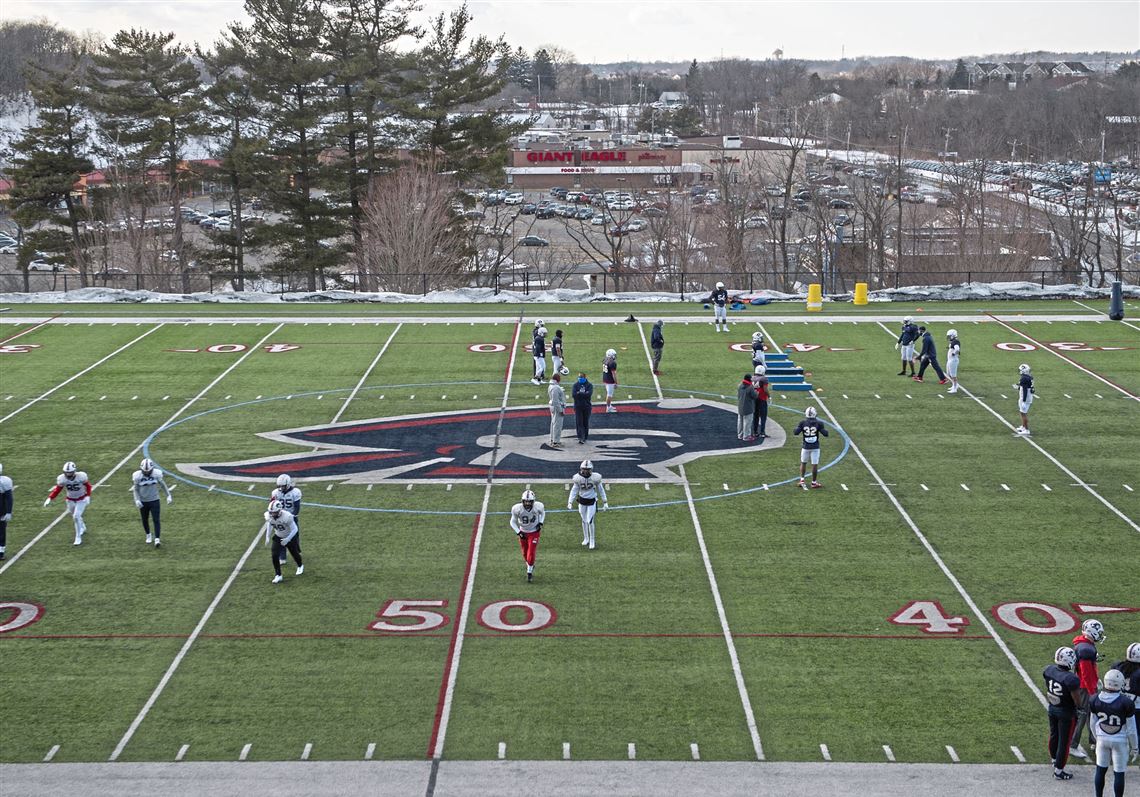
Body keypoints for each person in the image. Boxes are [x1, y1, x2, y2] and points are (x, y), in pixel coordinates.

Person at [1088, 670, 1136, 797]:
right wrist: (1135, 747)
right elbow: (1131, 729)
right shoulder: (1126, 703)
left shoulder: (1094, 699)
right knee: (1119, 773)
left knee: (1100, 770)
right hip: (1120, 740)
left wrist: (1097, 737)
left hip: (1102, 740)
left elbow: (1092, 723)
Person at [1043, 646, 1084, 781]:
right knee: (1064, 742)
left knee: (1054, 735)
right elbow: (1076, 698)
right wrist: (1080, 707)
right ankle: (1059, 771)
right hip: (1066, 712)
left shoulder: (1049, 670)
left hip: (1053, 707)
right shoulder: (1071, 679)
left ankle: (1054, 760)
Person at [1071, 618, 1107, 759]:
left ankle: (1093, 740)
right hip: (1084, 687)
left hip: (1083, 684)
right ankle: (1073, 744)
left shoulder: (1084, 644)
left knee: (1092, 714)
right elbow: (1085, 673)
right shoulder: (1086, 649)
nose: (1100, 635)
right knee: (1083, 715)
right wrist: (1092, 689)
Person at [44, 461, 92, 546]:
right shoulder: (62, 478)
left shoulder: (81, 476)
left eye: (70, 473)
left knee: (76, 516)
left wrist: (88, 496)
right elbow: (57, 490)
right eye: (67, 473)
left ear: (74, 471)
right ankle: (83, 527)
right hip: (70, 499)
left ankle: (78, 537)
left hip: (81, 499)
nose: (68, 475)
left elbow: (88, 486)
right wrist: (50, 498)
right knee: (75, 516)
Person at [131, 458, 173, 547]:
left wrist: (168, 495)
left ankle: (157, 539)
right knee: (144, 519)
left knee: (156, 519)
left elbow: (163, 485)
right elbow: (135, 489)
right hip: (143, 501)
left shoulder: (156, 474)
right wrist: (137, 500)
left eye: (148, 471)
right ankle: (148, 534)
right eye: (144, 471)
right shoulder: (137, 476)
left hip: (154, 500)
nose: (146, 473)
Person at [1109, 642, 1140, 765]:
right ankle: (1134, 749)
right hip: (1136, 705)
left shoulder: (1118, 666)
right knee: (1136, 729)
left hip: (1119, 701)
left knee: (1121, 728)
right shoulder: (1138, 673)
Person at [568, 459, 607, 550]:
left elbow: (601, 490)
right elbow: (574, 490)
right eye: (584, 469)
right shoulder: (578, 478)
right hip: (582, 501)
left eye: (587, 469)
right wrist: (570, 501)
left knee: (590, 520)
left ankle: (592, 540)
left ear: (591, 469)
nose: (585, 471)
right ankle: (586, 538)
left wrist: (605, 501)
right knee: (583, 519)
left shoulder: (595, 478)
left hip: (591, 501)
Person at [263, 499, 303, 584]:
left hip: (289, 536)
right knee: (274, 555)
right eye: (271, 512)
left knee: (294, 553)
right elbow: (270, 524)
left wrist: (288, 539)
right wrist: (267, 536)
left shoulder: (287, 516)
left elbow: (295, 529)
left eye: (273, 512)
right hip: (278, 536)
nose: (271, 514)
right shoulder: (269, 515)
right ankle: (278, 575)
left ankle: (300, 565)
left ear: (279, 511)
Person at [510, 489, 545, 582]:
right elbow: (512, 522)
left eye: (529, 502)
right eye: (526, 501)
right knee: (525, 553)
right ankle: (530, 565)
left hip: (534, 532)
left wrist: (541, 522)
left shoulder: (538, 506)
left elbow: (543, 513)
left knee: (531, 551)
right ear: (522, 501)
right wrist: (518, 532)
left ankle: (529, 572)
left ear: (533, 501)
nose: (527, 503)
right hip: (523, 532)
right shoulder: (517, 508)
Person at [793, 406, 829, 489]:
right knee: (814, 464)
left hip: (805, 446)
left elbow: (796, 432)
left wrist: (798, 428)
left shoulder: (802, 423)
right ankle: (813, 482)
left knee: (803, 462)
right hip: (815, 447)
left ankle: (802, 480)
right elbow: (825, 434)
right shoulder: (819, 423)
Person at [271, 474, 302, 566]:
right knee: (281, 537)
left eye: (283, 486)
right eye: (279, 486)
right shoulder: (275, 493)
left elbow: (297, 506)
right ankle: (282, 557)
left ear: (288, 484)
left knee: (294, 536)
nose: (281, 488)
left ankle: (297, 550)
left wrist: (293, 516)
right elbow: (272, 503)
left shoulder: (295, 492)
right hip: (280, 517)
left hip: (291, 517)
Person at [1014, 363, 1035, 436]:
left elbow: (1025, 390)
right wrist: (1019, 387)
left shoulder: (1024, 378)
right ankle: (1023, 427)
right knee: (1022, 412)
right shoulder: (1029, 377)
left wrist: (1023, 401)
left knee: (1023, 414)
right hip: (1027, 397)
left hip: (1025, 398)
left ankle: (1026, 429)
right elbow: (1027, 387)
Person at [572, 372, 593, 444]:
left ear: (585, 377)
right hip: (578, 407)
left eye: (581, 377)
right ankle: (581, 437)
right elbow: (574, 395)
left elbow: (589, 394)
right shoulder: (575, 385)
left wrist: (579, 393)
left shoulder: (589, 385)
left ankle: (585, 436)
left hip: (587, 407)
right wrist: (584, 394)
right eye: (579, 377)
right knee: (579, 422)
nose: (580, 378)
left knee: (585, 422)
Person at [751, 365, 770, 441]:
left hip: (754, 399)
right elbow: (765, 389)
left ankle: (755, 432)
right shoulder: (764, 379)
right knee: (763, 416)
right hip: (762, 399)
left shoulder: (752, 378)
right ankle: (762, 432)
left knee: (755, 416)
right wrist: (769, 396)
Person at [736, 373, 757, 442]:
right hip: (748, 408)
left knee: (740, 422)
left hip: (740, 406)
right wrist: (756, 391)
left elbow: (738, 396)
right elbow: (754, 396)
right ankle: (746, 436)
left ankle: (740, 435)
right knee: (747, 423)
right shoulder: (750, 387)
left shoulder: (739, 385)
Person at [547, 372, 566, 448]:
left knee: (554, 423)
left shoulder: (551, 386)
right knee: (557, 425)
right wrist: (560, 410)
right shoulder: (555, 388)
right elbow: (556, 401)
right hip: (557, 407)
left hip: (553, 406)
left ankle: (553, 439)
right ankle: (556, 441)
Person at [0, 463, 12, 560]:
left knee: (1, 530)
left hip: (1, 510)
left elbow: (9, 498)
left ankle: (1, 551)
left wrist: (8, 512)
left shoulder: (4, 482)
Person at [945, 329, 961, 394]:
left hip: (953, 360)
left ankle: (955, 388)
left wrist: (954, 353)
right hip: (950, 360)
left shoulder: (956, 341)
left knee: (953, 375)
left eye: (949, 336)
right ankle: (955, 385)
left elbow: (957, 349)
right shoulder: (953, 341)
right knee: (948, 374)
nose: (949, 337)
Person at [601, 348, 618, 413]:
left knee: (609, 393)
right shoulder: (612, 363)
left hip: (605, 378)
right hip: (609, 380)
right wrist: (616, 382)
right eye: (613, 355)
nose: (614, 356)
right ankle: (608, 408)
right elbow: (614, 374)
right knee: (609, 394)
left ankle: (609, 405)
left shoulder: (605, 360)